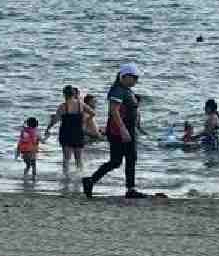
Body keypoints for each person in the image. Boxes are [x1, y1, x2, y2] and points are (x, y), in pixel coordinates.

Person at [82, 63, 146, 199]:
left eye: (137, 77)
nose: (136, 80)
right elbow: (114, 111)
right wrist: (123, 130)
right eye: (133, 77)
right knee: (125, 159)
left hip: (125, 130)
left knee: (119, 160)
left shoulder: (125, 90)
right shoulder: (118, 90)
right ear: (124, 76)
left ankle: (91, 181)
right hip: (120, 131)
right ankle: (130, 189)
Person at [45, 85, 86, 175]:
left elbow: (55, 120)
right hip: (78, 133)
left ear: (64, 95)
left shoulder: (63, 106)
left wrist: (48, 128)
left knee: (66, 159)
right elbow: (93, 113)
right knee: (79, 158)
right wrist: (84, 121)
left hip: (66, 134)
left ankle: (66, 177)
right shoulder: (81, 104)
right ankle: (80, 176)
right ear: (74, 93)